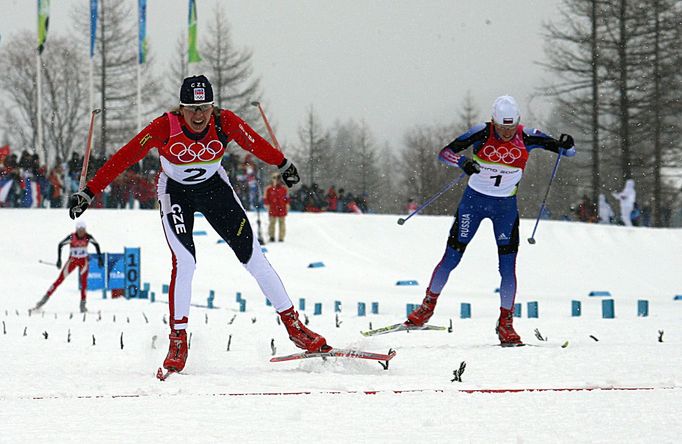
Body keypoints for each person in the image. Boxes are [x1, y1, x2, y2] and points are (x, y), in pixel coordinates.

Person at [67, 75, 330, 373]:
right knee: (185, 261)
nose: (198, 115)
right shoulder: (164, 126)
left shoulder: (225, 122)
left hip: (214, 189)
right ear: (181, 108)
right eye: (192, 108)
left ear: (212, 106)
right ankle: (178, 339)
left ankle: (294, 326)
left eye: (204, 107)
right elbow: (126, 156)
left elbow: (253, 142)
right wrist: (89, 191)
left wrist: (282, 164)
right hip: (175, 192)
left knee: (253, 257)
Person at [404, 95, 576, 346]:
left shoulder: (528, 135)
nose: (506, 133)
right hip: (472, 205)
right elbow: (445, 153)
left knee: (507, 267)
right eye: (501, 128)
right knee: (452, 257)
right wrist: (462, 162)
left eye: (510, 128)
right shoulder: (482, 132)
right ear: (493, 122)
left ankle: (506, 323)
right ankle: (427, 307)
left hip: (505, 209)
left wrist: (568, 144)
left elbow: (567, 152)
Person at [32, 220, 103, 314]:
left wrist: (100, 258)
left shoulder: (88, 237)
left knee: (84, 283)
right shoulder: (72, 237)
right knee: (59, 280)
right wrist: (59, 260)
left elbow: (97, 245)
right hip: (72, 261)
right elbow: (60, 244)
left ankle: (83, 306)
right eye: (80, 230)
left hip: (83, 261)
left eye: (83, 230)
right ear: (76, 230)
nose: (82, 232)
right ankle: (42, 302)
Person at [263, 173, 290, 242]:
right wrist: (267, 205)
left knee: (282, 223)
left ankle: (281, 237)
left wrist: (287, 205)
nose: (276, 180)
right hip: (272, 208)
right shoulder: (269, 189)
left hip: (282, 207)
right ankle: (271, 236)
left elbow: (287, 198)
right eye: (274, 178)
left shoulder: (284, 189)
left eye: (277, 178)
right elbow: (266, 198)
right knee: (272, 222)